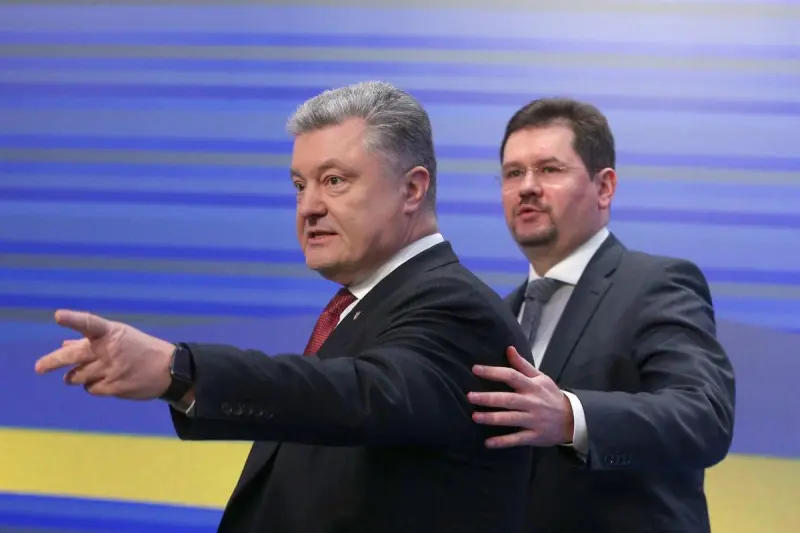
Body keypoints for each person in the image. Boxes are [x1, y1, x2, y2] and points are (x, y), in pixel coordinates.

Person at [34, 81, 535, 533]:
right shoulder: (364, 306)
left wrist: (179, 371)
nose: (308, 207)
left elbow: (352, 395)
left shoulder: (455, 309)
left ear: (412, 188)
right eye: (300, 185)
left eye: (334, 180)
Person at [465, 97, 736, 533]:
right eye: (513, 173)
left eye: (549, 169)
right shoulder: (498, 314)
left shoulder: (656, 285)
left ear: (605, 187)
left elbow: (704, 417)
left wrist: (570, 417)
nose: (527, 187)